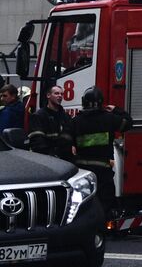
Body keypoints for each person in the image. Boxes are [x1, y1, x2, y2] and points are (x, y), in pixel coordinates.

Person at [72, 87, 133, 219]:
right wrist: (116, 110)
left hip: (82, 171)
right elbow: (128, 123)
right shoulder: (109, 118)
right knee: (104, 201)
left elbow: (65, 143)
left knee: (84, 200)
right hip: (102, 169)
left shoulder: (76, 121)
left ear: (84, 102)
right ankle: (102, 228)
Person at [27, 85, 75, 158]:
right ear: (48, 95)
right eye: (56, 93)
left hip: (65, 158)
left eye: (61, 94)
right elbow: (37, 142)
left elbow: (71, 136)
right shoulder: (38, 116)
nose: (60, 96)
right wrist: (52, 154)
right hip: (47, 158)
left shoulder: (65, 116)